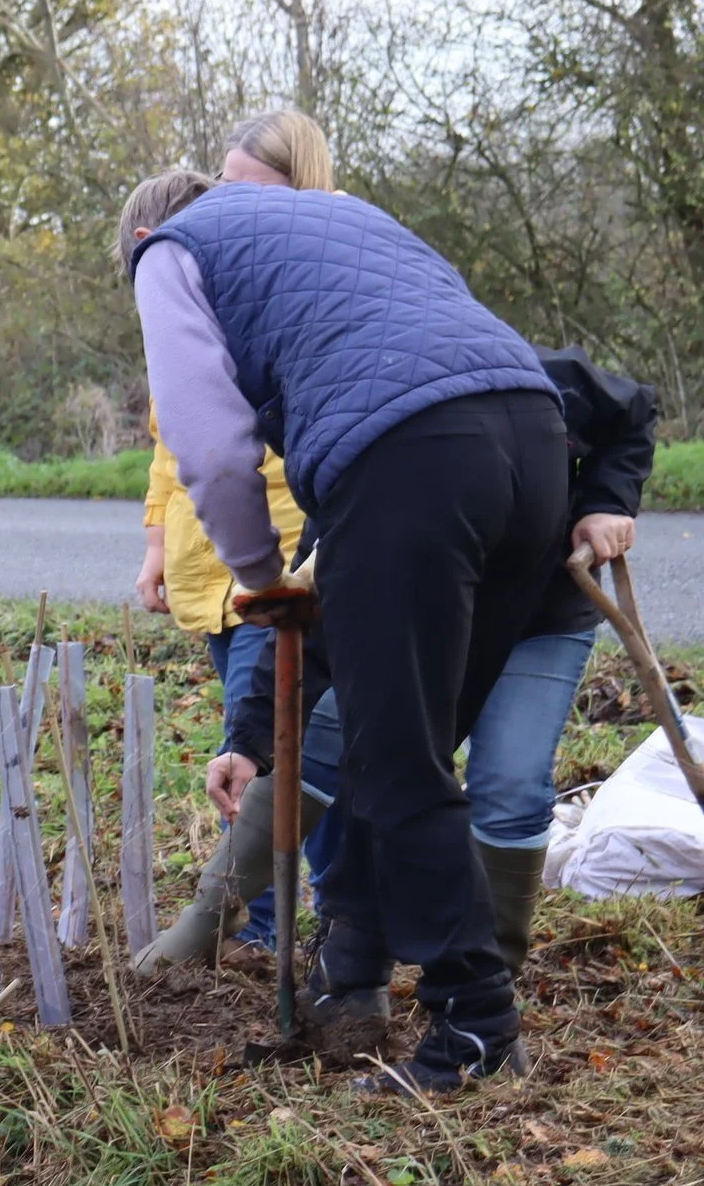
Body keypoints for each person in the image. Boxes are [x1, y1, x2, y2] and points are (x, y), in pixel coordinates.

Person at [127, 161, 569, 1092]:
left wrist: (259, 580)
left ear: (138, 243)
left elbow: (207, 447)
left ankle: (475, 1030)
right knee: (408, 740)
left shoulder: (167, 252)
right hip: (531, 435)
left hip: (411, 455)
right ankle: (352, 971)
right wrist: (263, 705)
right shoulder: (343, 220)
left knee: (395, 756)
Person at [159, 345, 657, 986]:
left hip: (538, 619)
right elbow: (309, 617)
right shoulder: (351, 459)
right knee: (324, 735)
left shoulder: (525, 379)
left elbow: (633, 409)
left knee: (509, 785)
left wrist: (607, 499)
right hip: (423, 621)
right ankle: (209, 918)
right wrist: (251, 741)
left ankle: (486, 985)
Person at [131, 110, 344, 966]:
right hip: (209, 578)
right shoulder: (185, 324)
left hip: (281, 567)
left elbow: (247, 451)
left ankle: (295, 918)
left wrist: (271, 570)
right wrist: (154, 549)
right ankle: (267, 920)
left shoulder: (285, 301)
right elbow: (171, 450)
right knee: (252, 737)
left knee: (276, 750)